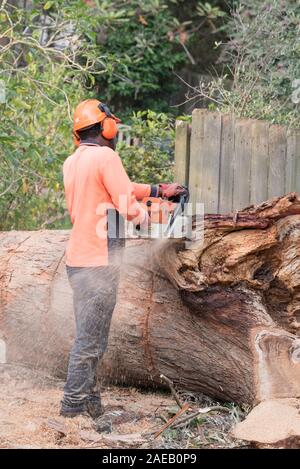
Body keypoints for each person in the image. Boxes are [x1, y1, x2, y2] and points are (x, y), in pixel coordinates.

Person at [61, 98, 186, 419]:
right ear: (106, 127)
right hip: (100, 263)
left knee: (91, 339)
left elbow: (120, 188)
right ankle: (71, 408)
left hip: (78, 261)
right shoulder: (107, 156)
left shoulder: (74, 161)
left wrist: (157, 191)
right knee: (90, 342)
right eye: (112, 127)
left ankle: (90, 402)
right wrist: (153, 219)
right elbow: (127, 205)